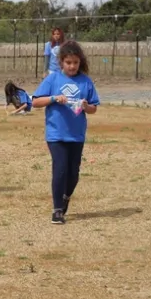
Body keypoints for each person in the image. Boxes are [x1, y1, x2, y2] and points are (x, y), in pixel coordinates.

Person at [32, 40, 99, 224]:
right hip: (56, 134)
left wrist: (86, 106)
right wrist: (54, 98)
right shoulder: (53, 79)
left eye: (75, 63)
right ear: (61, 62)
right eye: (68, 63)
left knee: (73, 174)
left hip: (76, 135)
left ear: (80, 62)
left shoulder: (85, 81)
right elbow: (35, 102)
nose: (72, 66)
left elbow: (94, 108)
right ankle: (57, 210)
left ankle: (66, 197)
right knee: (60, 170)